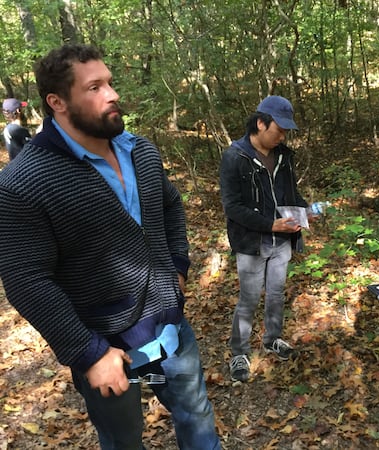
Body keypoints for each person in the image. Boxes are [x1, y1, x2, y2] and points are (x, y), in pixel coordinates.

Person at [0, 44, 221, 450]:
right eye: (95, 87)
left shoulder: (141, 151)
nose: (112, 94)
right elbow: (25, 279)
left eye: (111, 83)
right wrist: (89, 353)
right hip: (107, 347)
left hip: (172, 328)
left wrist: (178, 264)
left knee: (197, 415)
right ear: (57, 102)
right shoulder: (24, 183)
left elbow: (169, 204)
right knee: (124, 441)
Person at [219, 95, 311, 382]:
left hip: (282, 240)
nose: (282, 135)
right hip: (251, 243)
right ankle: (239, 353)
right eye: (278, 129)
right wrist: (271, 225)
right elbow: (232, 208)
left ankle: (273, 339)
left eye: (286, 131)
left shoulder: (284, 156)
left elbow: (288, 194)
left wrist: (305, 210)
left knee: (275, 294)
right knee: (248, 298)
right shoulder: (235, 157)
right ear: (260, 123)